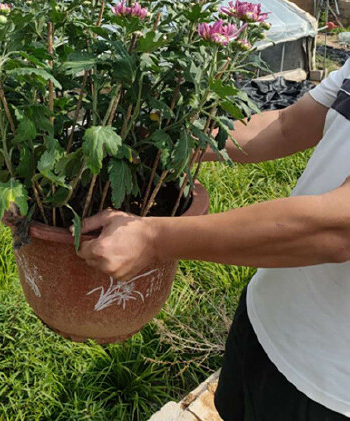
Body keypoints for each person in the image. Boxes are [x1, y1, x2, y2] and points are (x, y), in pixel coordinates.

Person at [76, 59, 350, 420]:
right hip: (267, 317)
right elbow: (286, 126)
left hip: (329, 389)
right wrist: (172, 144)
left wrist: (153, 238)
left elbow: (337, 227)